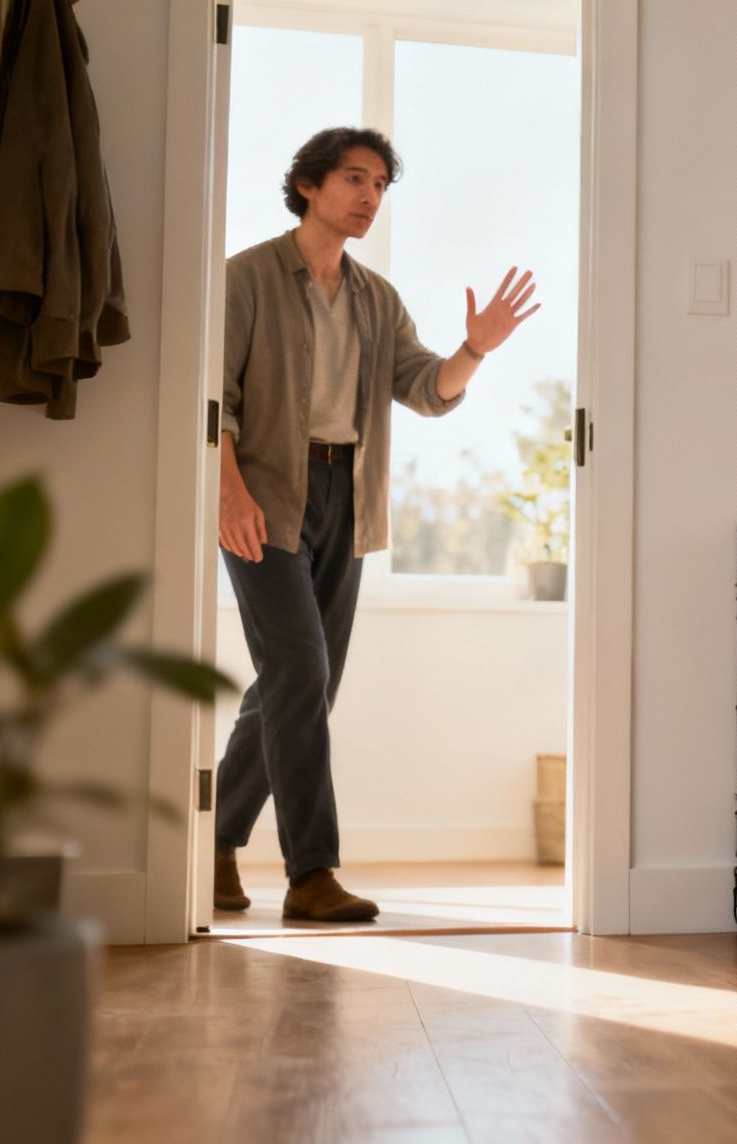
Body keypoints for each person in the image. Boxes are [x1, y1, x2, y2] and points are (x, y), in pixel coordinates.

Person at [212, 127, 540, 921]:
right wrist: (227, 493)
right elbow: (215, 398)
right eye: (355, 179)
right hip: (264, 493)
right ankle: (310, 874)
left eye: (381, 185)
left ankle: (212, 841)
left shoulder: (375, 297)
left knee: (301, 685)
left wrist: (475, 348)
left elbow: (426, 389)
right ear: (310, 186)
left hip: (346, 498)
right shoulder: (245, 278)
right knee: (301, 673)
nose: (369, 197)